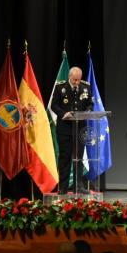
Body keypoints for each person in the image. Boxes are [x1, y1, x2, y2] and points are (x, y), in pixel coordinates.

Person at [51, 66, 93, 194]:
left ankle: (78, 186)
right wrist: (64, 114)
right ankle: (63, 187)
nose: (76, 83)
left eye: (78, 80)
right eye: (74, 80)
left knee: (79, 157)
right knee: (65, 157)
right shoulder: (60, 87)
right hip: (65, 129)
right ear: (69, 77)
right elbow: (54, 105)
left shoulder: (86, 87)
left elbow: (90, 103)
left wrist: (88, 111)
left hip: (80, 128)